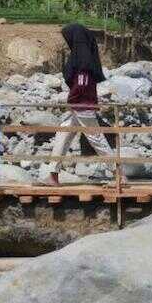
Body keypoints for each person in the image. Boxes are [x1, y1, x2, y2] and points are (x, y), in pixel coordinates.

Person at [45, 24, 113, 186]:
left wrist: (72, 99)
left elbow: (81, 85)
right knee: (63, 134)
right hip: (79, 106)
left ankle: (119, 173)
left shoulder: (83, 61)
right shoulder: (82, 58)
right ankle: (53, 174)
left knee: (96, 138)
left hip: (82, 105)